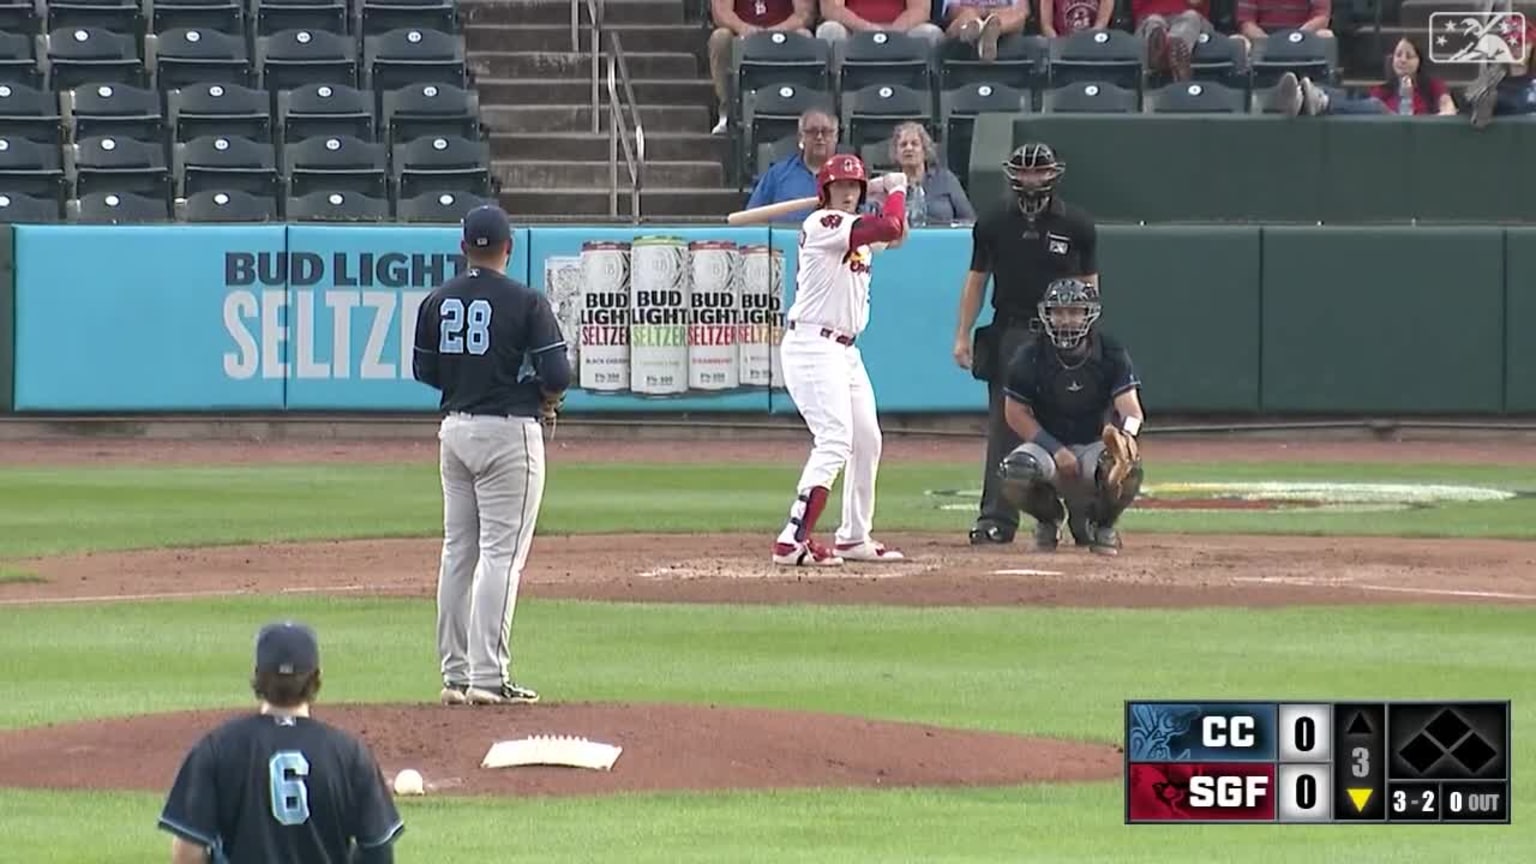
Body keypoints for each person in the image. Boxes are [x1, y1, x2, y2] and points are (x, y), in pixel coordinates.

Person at [411, 205, 571, 706]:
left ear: (464, 248)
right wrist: (540, 397)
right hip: (509, 435)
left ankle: (455, 675)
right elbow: (558, 374)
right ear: (509, 247)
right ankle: (488, 677)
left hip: (454, 431)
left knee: (458, 553)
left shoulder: (437, 299)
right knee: (501, 556)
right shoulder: (526, 301)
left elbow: (426, 372)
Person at [157, 621, 404, 864]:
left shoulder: (216, 748)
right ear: (316, 678)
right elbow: (378, 851)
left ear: (257, 676)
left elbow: (188, 852)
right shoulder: (350, 754)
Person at [952, 141, 1098, 546]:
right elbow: (976, 279)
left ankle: (1083, 518)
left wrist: (1090, 337)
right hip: (1012, 328)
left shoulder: (1077, 225)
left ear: (1054, 174)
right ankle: (997, 518)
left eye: (1039, 171)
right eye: (1025, 171)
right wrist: (962, 333)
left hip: (1065, 330)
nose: (1032, 179)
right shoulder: (994, 222)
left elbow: (1089, 286)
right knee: (1005, 428)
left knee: (1074, 423)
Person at [772, 153, 911, 566]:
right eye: (841, 187)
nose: (848, 193)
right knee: (834, 439)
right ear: (826, 192)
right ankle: (792, 539)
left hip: (846, 351)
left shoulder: (854, 231)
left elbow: (896, 234)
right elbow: (891, 224)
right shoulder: (824, 223)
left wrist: (888, 191)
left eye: (855, 187)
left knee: (866, 439)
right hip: (813, 346)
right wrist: (897, 189)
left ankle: (853, 536)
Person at [995, 278, 1145, 555]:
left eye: (1074, 311)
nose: (1066, 319)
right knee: (1014, 472)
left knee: (1128, 468)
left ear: (1088, 314)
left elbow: (1131, 410)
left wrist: (1127, 439)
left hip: (1094, 445)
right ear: (1047, 314)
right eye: (1059, 312)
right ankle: (1048, 519)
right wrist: (1056, 449)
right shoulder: (1029, 355)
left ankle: (1103, 525)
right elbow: (1014, 413)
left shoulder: (1111, 352)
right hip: (1046, 447)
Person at [706, 0, 815, 134]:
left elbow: (804, 14)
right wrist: (743, 28)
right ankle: (727, 112)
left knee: (805, 36)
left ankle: (799, 108)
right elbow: (721, 12)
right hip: (741, 33)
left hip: (784, 31)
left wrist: (776, 30)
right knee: (720, 37)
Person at [1273, 39, 1455, 117]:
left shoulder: (1433, 85)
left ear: (1420, 61)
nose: (1402, 60)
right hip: (1381, 132)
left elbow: (1449, 109)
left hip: (1415, 131)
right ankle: (1302, 97)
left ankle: (1318, 100)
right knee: (1356, 98)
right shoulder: (1384, 89)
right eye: (1399, 55)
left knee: (1374, 105)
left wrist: (1428, 117)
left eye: (1409, 56)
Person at [746, 107, 844, 224]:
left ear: (836, 137)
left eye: (826, 132)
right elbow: (752, 217)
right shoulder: (777, 174)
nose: (819, 137)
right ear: (801, 137)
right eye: (812, 131)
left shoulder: (849, 176)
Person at [887, 121, 975, 224]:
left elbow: (969, 221)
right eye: (903, 145)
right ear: (896, 153)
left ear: (925, 150)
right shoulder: (888, 184)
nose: (909, 148)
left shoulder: (946, 179)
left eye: (914, 144)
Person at [942, 0, 1030, 61]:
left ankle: (991, 31)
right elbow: (951, 10)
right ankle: (977, 29)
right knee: (967, 16)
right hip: (966, 17)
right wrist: (982, 13)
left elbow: (1022, 11)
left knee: (1016, 17)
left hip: (1002, 23)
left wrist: (989, 13)